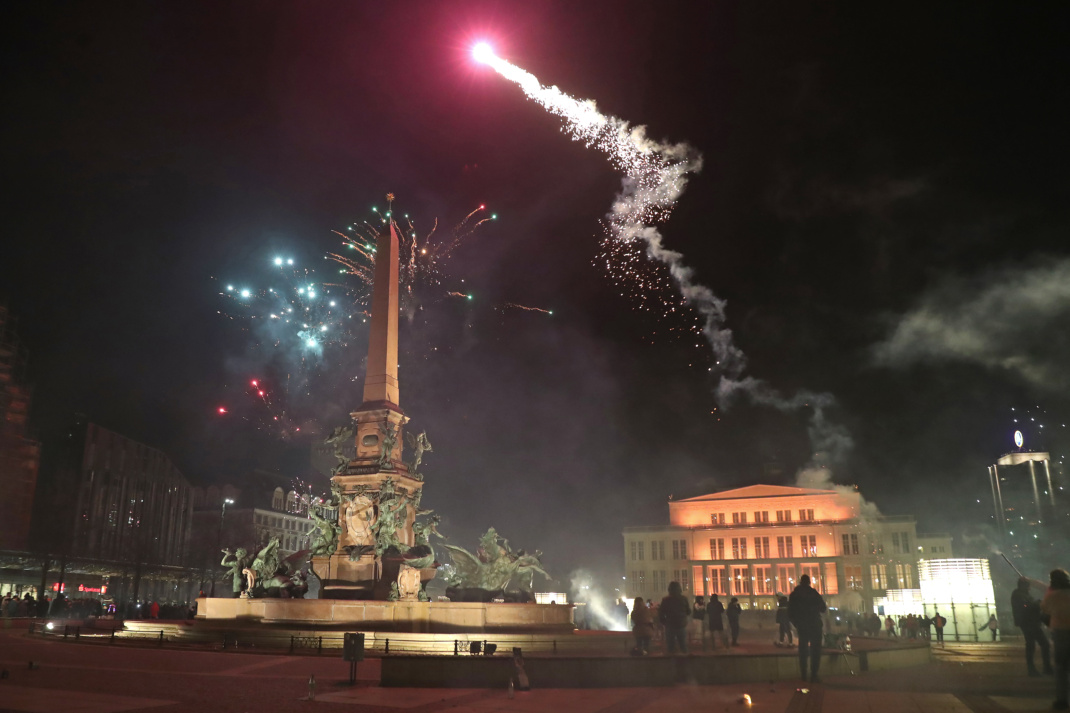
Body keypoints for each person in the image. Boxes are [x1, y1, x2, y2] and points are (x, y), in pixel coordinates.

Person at [789, 573, 827, 684]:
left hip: (802, 625)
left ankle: (804, 675)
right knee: (815, 651)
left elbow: (790, 612)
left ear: (800, 582)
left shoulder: (794, 595)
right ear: (809, 582)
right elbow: (823, 608)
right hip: (814, 624)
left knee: (803, 650)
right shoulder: (813, 593)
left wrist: (797, 623)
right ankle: (814, 675)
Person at [1041, 568, 1070, 711]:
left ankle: (1062, 700)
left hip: (1060, 633)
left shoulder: (1052, 596)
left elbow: (1045, 609)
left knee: (1061, 668)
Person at [1012, 577, 1053, 676]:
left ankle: (1034, 668)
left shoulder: (1021, 594)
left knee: (1032, 645)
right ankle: (1042, 668)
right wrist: (1036, 603)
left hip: (1030, 622)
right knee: (1041, 644)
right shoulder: (1019, 595)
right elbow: (1025, 606)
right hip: (1029, 623)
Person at [658, 581, 691, 654]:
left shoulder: (665, 600)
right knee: (683, 645)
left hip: (670, 625)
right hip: (681, 624)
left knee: (670, 646)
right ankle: (686, 662)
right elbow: (688, 611)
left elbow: (661, 614)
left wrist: (665, 623)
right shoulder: (684, 599)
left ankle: (671, 662)